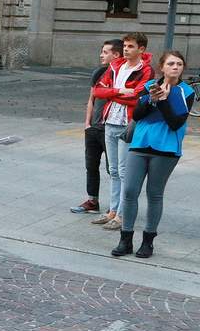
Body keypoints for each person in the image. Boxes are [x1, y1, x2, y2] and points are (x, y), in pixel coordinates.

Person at [112, 51, 193, 259]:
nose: (175, 67)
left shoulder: (187, 91)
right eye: (171, 64)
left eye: (179, 64)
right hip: (140, 144)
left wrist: (164, 101)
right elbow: (137, 115)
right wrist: (151, 100)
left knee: (154, 194)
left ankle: (148, 242)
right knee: (129, 191)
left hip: (166, 148)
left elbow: (176, 123)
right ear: (162, 67)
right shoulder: (149, 87)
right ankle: (125, 239)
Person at [90, 32, 152, 231]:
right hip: (110, 121)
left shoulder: (146, 70)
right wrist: (118, 92)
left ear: (141, 49)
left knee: (125, 171)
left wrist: (113, 94)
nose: (126, 49)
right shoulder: (115, 66)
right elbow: (98, 91)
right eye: (125, 46)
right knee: (114, 170)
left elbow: (137, 97)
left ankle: (123, 215)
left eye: (131, 46)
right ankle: (113, 210)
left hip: (128, 123)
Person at [71, 39, 123, 214]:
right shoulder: (99, 72)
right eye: (102, 51)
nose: (101, 55)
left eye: (105, 52)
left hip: (112, 128)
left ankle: (116, 206)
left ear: (116, 54)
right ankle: (92, 201)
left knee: (113, 169)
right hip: (94, 127)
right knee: (91, 165)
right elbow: (91, 99)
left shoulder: (123, 74)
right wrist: (87, 123)